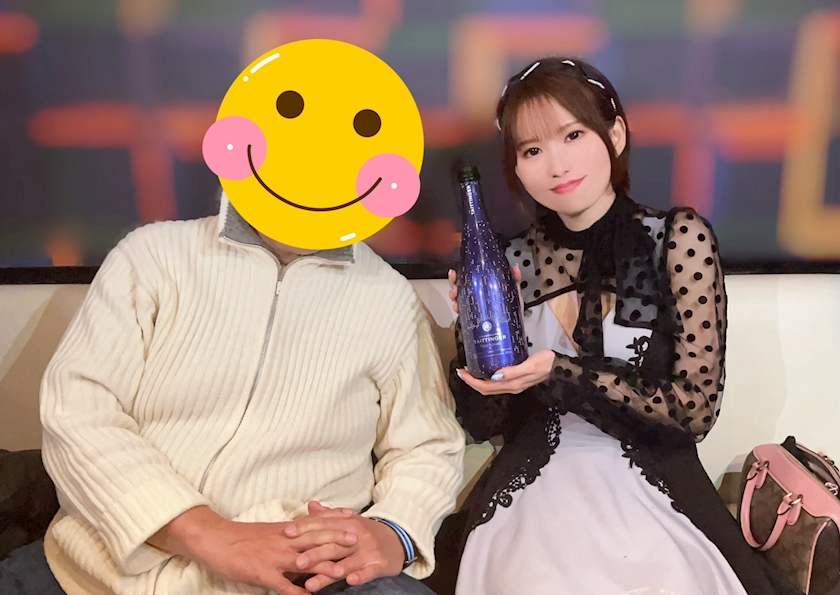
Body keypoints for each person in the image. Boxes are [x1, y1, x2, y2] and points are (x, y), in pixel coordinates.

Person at [444, 57, 798, 595]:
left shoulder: (676, 239)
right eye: (532, 150)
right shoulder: (506, 261)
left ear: (615, 134)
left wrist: (559, 372)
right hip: (536, 494)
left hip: (655, 486)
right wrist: (476, 339)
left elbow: (694, 410)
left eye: (573, 135)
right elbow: (483, 421)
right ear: (516, 166)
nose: (556, 165)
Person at [0, 192, 465, 595]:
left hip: (305, 575)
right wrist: (204, 532)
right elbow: (78, 409)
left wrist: (395, 531)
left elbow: (427, 444)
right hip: (91, 572)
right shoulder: (153, 255)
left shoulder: (388, 297)